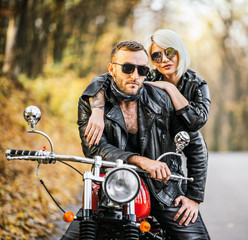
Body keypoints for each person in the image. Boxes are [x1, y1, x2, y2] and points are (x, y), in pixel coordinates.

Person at [70, 41, 210, 239]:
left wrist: (193, 198)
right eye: (127, 68)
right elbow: (94, 148)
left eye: (142, 69)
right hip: (113, 187)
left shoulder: (163, 99)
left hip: (163, 189)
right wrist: (140, 160)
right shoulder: (92, 102)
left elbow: (197, 148)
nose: (134, 76)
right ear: (112, 69)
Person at [84, 29, 210, 146]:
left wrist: (170, 88)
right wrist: (97, 111)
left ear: (179, 52)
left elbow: (197, 122)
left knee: (195, 140)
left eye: (169, 52)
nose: (164, 59)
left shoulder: (197, 84)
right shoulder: (147, 75)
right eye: (157, 56)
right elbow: (104, 79)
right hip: (155, 144)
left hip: (188, 140)